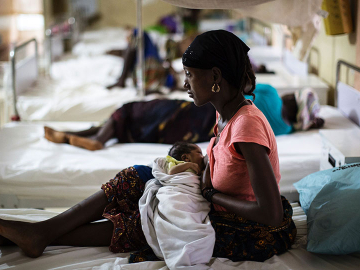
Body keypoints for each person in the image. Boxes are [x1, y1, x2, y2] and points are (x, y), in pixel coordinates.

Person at [0, 30, 296, 263]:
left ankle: (41, 235)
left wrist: (211, 193)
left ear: (215, 77)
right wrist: (197, 171)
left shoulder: (247, 125)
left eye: (190, 75)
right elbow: (224, 159)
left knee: (150, 218)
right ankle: (43, 231)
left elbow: (270, 214)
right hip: (220, 204)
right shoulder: (224, 112)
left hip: (251, 229)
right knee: (138, 177)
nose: (185, 84)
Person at [139, 142, 215, 269]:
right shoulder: (177, 164)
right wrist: (189, 165)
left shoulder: (199, 168)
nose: (202, 157)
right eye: (199, 153)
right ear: (186, 157)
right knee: (174, 209)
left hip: (190, 193)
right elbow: (171, 172)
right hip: (176, 191)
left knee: (192, 218)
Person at [44, 99, 215, 151]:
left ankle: (97, 138)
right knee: (122, 120)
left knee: (128, 109)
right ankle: (68, 135)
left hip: (190, 115)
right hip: (193, 127)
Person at [246, 84, 324, 136]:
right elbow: (300, 125)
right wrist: (312, 124)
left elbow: (241, 87)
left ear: (290, 97)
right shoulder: (285, 129)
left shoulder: (271, 92)